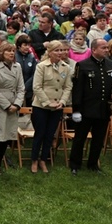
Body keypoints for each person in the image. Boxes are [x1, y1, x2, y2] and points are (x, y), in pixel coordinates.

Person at [70, 39, 112, 175]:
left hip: (103, 109)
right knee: (80, 138)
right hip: (86, 109)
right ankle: (75, 164)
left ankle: (93, 164)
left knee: (98, 139)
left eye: (107, 48)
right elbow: (77, 90)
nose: (106, 50)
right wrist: (76, 110)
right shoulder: (83, 65)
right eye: (103, 48)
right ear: (94, 49)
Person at [31, 40, 72, 173]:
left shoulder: (66, 67)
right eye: (57, 50)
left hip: (57, 107)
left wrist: (62, 101)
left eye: (62, 50)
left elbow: (67, 87)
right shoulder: (42, 66)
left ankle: (44, 159)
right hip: (41, 106)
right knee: (40, 133)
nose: (60, 53)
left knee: (50, 135)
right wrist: (47, 102)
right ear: (50, 52)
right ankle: (34, 160)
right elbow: (36, 87)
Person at [0, 43, 25, 175]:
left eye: (13, 51)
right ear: (2, 52)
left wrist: (17, 104)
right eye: (8, 51)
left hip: (14, 104)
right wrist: (7, 105)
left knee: (7, 136)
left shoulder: (17, 67)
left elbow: (21, 88)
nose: (12, 53)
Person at [15, 35, 37, 106]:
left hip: (28, 90)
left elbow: (34, 74)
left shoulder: (32, 57)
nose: (27, 47)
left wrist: (26, 87)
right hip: (16, 89)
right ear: (19, 46)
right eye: (25, 45)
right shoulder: (14, 56)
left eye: (29, 45)